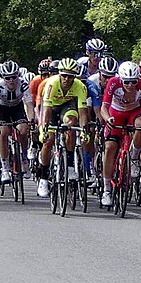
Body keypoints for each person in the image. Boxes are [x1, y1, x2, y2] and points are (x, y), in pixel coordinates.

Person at [99, 60, 141, 207]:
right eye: (126, 82)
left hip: (135, 112)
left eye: (133, 82)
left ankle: (133, 158)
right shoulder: (113, 83)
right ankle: (107, 189)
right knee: (109, 148)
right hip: (116, 113)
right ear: (121, 79)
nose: (130, 86)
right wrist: (108, 119)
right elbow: (104, 107)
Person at [37, 58, 89, 198]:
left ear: (74, 77)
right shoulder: (51, 84)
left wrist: (84, 131)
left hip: (68, 106)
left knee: (71, 126)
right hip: (52, 108)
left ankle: (70, 165)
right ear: (59, 74)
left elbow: (83, 112)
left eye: (70, 76)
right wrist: (44, 130)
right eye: (64, 75)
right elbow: (46, 110)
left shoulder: (79, 86)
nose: (66, 79)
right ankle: (43, 176)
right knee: (48, 141)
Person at [0, 60, 35, 184]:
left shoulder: (23, 84)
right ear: (3, 78)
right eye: (8, 78)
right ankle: (5, 167)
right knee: (3, 132)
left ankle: (24, 158)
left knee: (23, 129)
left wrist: (31, 121)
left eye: (14, 77)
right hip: (3, 110)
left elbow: (29, 105)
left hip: (17, 108)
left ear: (18, 75)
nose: (11, 80)